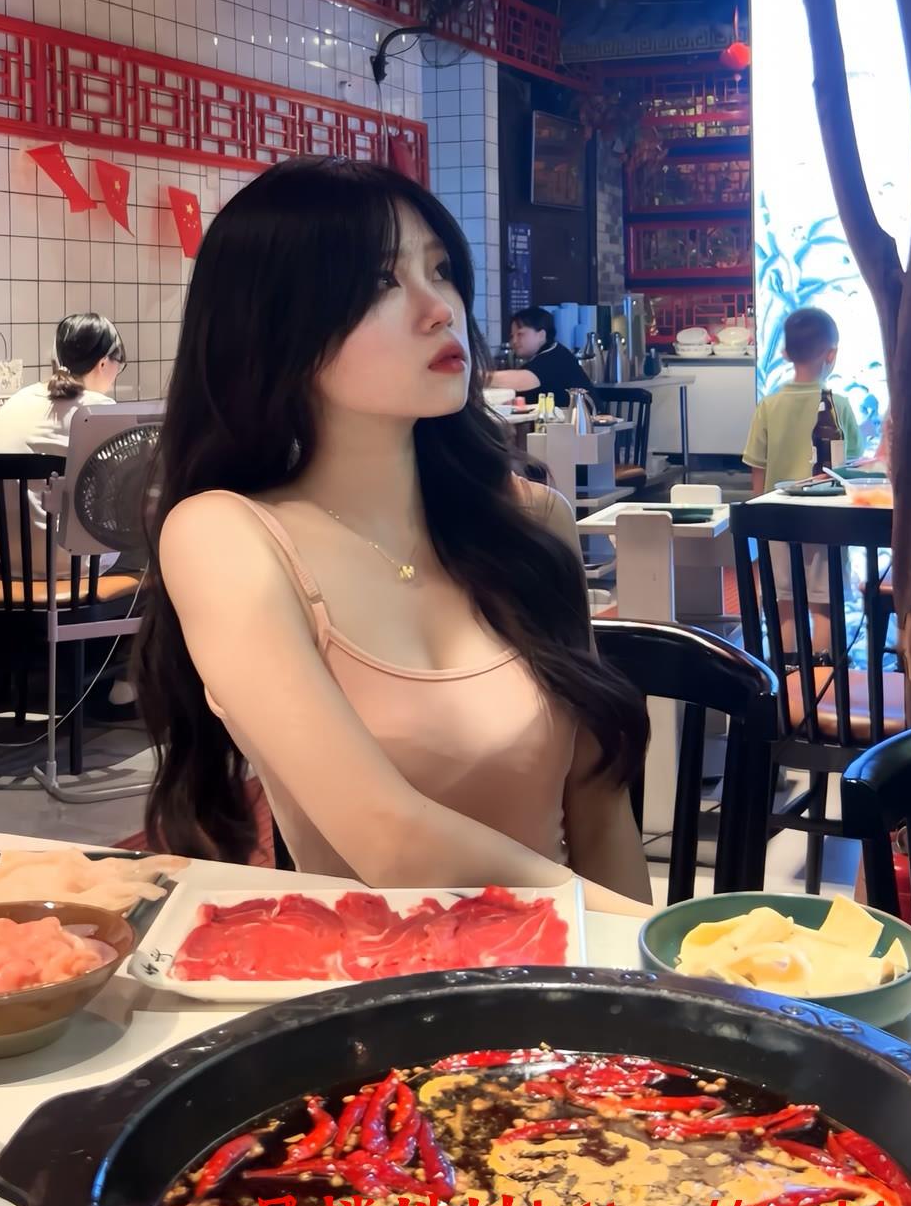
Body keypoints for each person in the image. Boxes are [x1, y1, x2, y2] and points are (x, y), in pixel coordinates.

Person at [135, 159, 652, 913]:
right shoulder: (226, 537)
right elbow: (388, 838)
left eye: (440, 271)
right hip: (374, 978)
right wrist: (667, 940)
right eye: (381, 281)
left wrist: (647, 968)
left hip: (563, 971)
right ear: (276, 324)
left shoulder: (532, 522)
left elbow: (600, 810)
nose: (439, 309)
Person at [742, 306, 863, 648]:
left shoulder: (768, 406)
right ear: (831, 354)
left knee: (785, 610)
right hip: (828, 522)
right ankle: (825, 677)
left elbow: (757, 472)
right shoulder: (839, 405)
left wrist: (758, 526)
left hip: (777, 523)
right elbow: (852, 469)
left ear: (784, 353)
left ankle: (789, 678)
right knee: (825, 609)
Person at [0, 312, 125, 574]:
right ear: (103, 363)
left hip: (9, 564)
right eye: (119, 363)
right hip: (77, 568)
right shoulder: (98, 410)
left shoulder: (16, 402)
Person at [493, 308, 589, 407]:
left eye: (520, 334)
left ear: (541, 335)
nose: (514, 341)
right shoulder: (546, 354)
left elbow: (523, 379)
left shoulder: (554, 357)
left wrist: (483, 377)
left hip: (584, 416)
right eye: (512, 336)